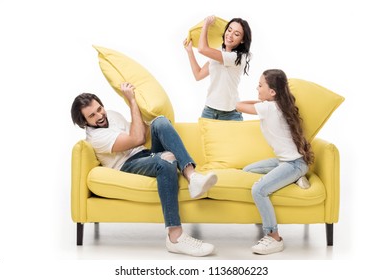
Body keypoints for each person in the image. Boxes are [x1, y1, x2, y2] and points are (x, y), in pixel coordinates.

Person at [71, 82, 218, 257]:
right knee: (167, 159)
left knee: (160, 122)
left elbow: (143, 131)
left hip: (145, 154)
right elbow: (138, 138)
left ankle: (192, 176)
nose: (100, 115)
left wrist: (154, 117)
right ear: (84, 122)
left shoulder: (112, 115)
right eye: (92, 115)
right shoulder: (95, 137)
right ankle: (175, 236)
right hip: (128, 165)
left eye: (99, 109)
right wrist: (131, 100)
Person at [236, 69, 314, 255]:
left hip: (294, 164)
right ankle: (295, 178)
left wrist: (262, 102)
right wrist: (263, 100)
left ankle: (274, 237)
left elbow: (238, 105)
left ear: (273, 92)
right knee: (248, 170)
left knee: (259, 189)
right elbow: (250, 104)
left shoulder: (269, 108)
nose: (257, 87)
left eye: (261, 85)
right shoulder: (277, 105)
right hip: (285, 162)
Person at [184, 15, 252, 121]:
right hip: (209, 111)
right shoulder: (218, 53)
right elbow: (198, 75)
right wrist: (190, 52)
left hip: (231, 114)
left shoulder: (238, 58)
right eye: (229, 30)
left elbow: (202, 49)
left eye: (236, 34)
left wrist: (206, 25)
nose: (230, 35)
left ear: (242, 40)